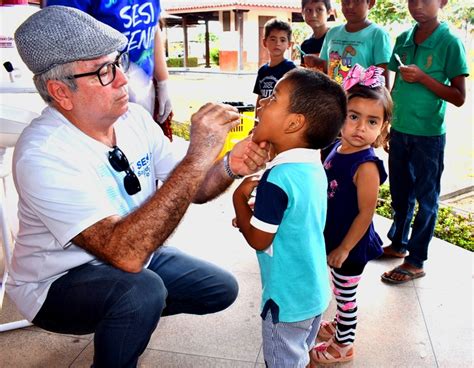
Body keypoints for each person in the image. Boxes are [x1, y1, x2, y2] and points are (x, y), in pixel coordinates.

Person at [8, 6, 269, 367]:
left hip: (129, 250)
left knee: (219, 289)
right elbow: (126, 254)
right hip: (55, 283)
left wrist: (228, 165)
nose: (122, 80)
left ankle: (122, 315)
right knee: (142, 291)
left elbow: (193, 187)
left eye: (117, 63)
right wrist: (197, 156)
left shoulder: (133, 119)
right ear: (60, 92)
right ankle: (122, 327)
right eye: (103, 71)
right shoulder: (43, 154)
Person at [233, 68, 347, 368]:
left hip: (287, 300)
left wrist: (239, 202)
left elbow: (258, 239)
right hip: (314, 293)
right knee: (300, 354)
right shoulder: (313, 165)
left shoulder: (277, 178)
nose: (262, 103)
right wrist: (258, 214)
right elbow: (295, 216)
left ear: (294, 123)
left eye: (273, 98)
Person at [381, 0, 468, 284]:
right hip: (400, 129)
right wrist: (387, 123)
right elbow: (395, 87)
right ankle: (398, 244)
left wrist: (423, 78)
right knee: (400, 193)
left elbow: (459, 97)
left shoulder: (450, 42)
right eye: (411, 0)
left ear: (442, 2)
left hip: (429, 135)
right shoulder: (403, 39)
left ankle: (416, 260)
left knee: (427, 199)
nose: (417, 5)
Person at [310, 64, 390, 364]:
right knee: (337, 288)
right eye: (353, 117)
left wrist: (344, 248)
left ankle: (344, 345)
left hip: (351, 245)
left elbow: (366, 213)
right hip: (335, 236)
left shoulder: (367, 165)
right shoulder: (337, 147)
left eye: (372, 121)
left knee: (345, 299)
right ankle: (341, 329)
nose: (360, 128)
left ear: (382, 127)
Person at [46, 0, 174, 139]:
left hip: (142, 92)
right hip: (97, 96)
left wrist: (163, 82)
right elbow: (61, 46)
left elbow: (153, 28)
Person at [303, 0, 391, 87]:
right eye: (345, 1)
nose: (350, 6)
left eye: (357, 1)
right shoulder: (332, 33)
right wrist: (316, 62)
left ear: (370, 3)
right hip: (335, 97)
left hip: (363, 99)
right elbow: (328, 68)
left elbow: (383, 81)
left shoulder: (378, 34)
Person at [253, 18, 296, 111]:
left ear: (289, 44)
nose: (277, 43)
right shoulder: (262, 71)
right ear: (264, 42)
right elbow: (260, 97)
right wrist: (256, 120)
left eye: (282, 40)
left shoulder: (291, 69)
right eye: (273, 39)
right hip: (265, 117)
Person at [299, 0, 332, 69]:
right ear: (302, 13)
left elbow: (346, 67)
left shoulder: (336, 39)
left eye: (319, 9)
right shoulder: (305, 45)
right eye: (308, 10)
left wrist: (320, 62)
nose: (313, 15)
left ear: (328, 12)